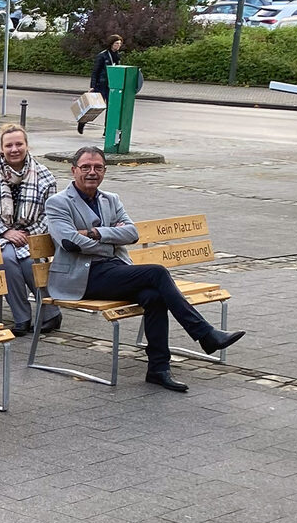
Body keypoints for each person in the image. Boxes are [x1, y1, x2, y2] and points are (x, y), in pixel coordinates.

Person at [42, 146, 244, 390]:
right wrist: (111, 242)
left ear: (105, 171)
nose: (92, 172)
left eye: (98, 167)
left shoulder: (111, 199)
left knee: (154, 295)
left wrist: (95, 233)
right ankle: (205, 333)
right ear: (74, 170)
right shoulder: (58, 202)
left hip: (115, 271)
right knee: (156, 272)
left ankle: (159, 369)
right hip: (82, 277)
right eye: (85, 167)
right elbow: (70, 242)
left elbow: (132, 233)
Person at [0, 124, 60, 335]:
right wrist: (5, 232)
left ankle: (51, 313)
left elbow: (51, 213)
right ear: (2, 148)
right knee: (6, 258)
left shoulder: (45, 176)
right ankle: (22, 317)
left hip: (30, 234)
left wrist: (29, 234)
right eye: (8, 145)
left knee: (29, 262)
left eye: (19, 144)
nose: (14, 149)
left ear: (27, 145)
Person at [82, 36, 123, 134]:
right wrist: (92, 85)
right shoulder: (102, 55)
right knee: (94, 106)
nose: (118, 45)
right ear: (111, 44)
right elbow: (95, 71)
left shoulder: (117, 56)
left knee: (111, 108)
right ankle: (82, 122)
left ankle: (107, 130)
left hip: (112, 85)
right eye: (116, 43)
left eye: (119, 44)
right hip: (101, 84)